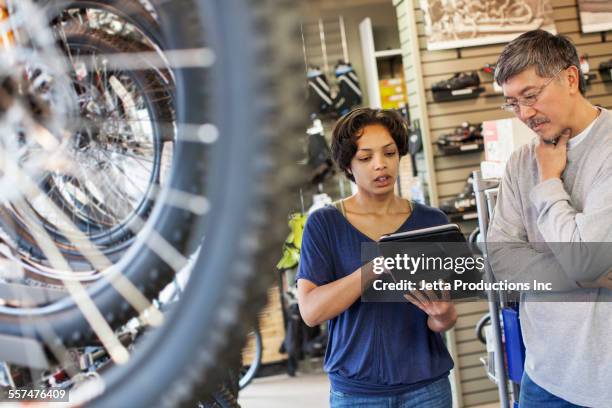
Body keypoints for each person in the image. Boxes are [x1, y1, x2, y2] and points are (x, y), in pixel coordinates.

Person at [296, 108, 457, 407]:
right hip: (357, 392)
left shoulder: (432, 221)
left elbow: (445, 320)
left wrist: (441, 314)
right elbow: (311, 312)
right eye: (366, 157)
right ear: (348, 165)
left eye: (390, 153)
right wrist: (376, 266)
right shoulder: (324, 224)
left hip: (427, 388)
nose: (381, 165)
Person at [487, 29, 612, 407]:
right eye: (512, 103)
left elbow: (583, 256)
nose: (524, 114)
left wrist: (547, 182)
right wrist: (588, 278)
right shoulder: (519, 161)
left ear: (570, 78)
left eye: (531, 95)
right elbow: (502, 258)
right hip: (543, 374)